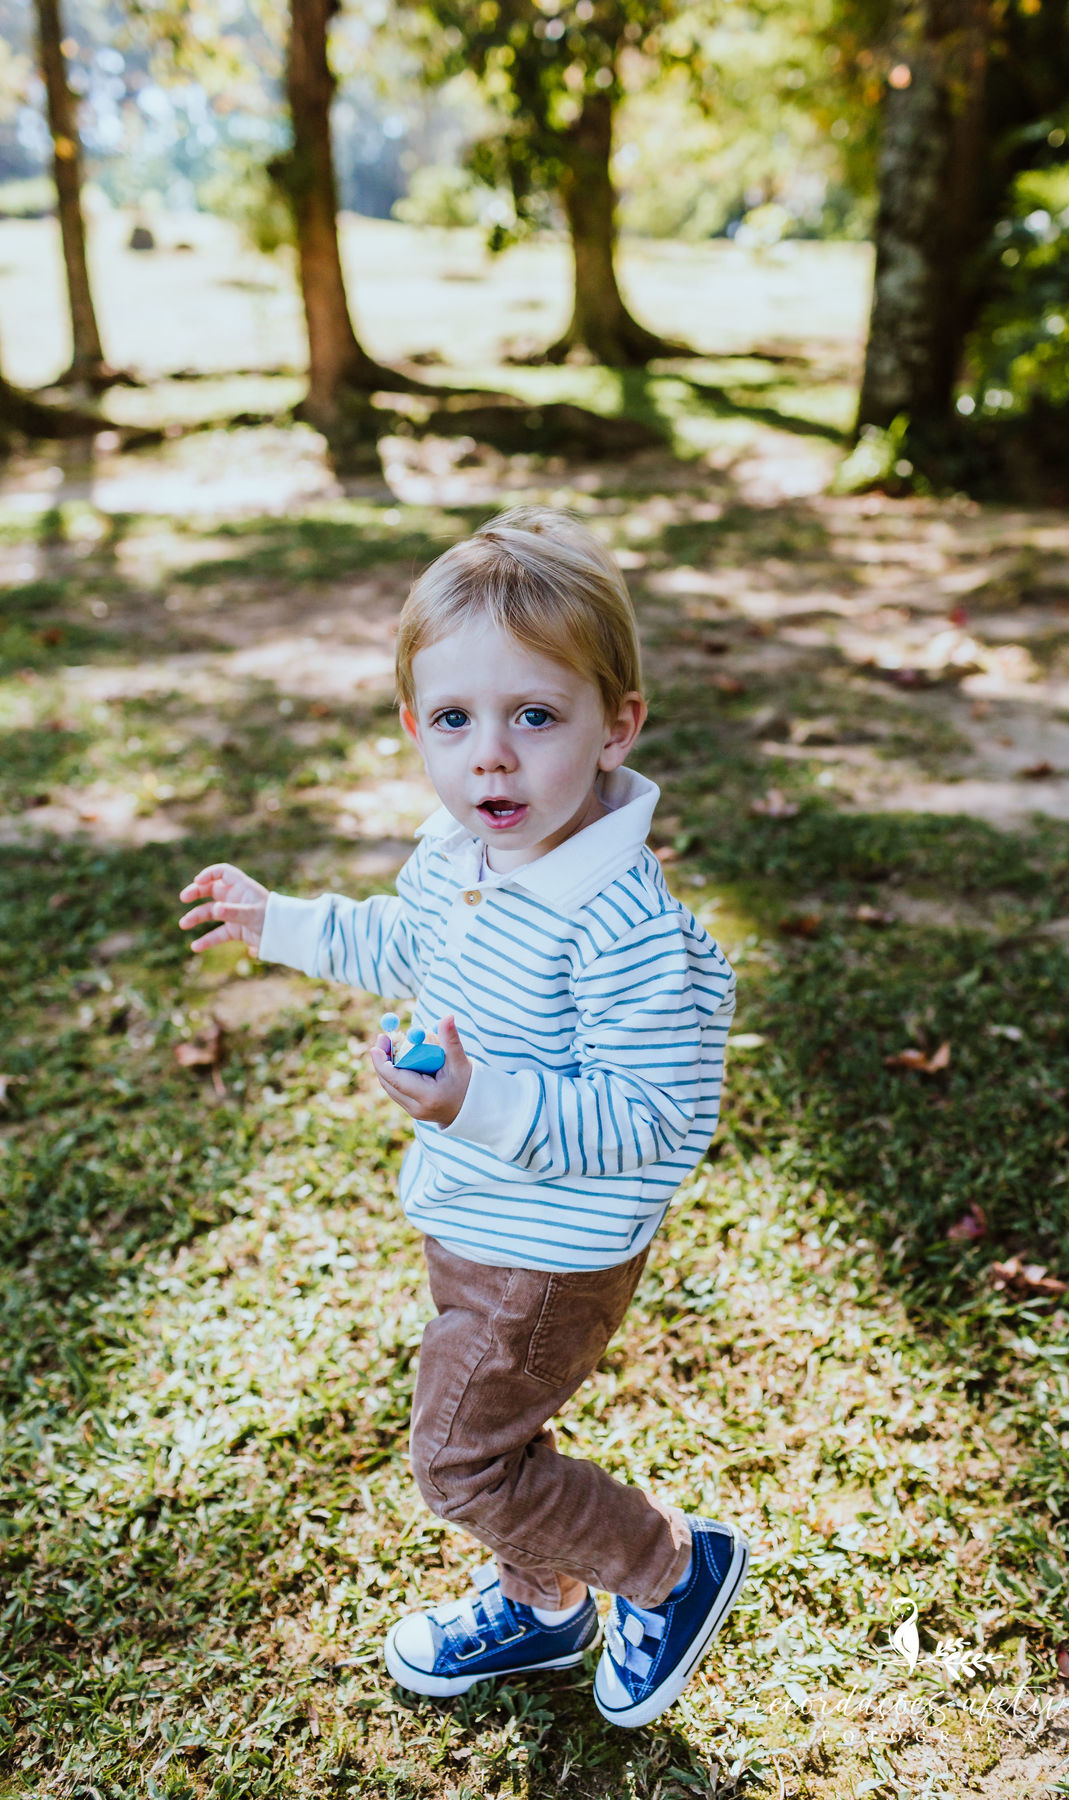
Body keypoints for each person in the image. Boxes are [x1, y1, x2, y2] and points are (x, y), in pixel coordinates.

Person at [178, 507, 747, 1729]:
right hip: (474, 1214)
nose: (492, 758)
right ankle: (541, 1613)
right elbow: (403, 939)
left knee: (462, 1459)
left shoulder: (623, 926)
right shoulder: (463, 852)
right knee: (499, 1437)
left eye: (535, 718)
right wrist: (280, 923)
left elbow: (656, 1117)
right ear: (414, 730)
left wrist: (477, 1101)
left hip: (551, 1250)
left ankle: (666, 1567)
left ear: (616, 727)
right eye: (456, 721)